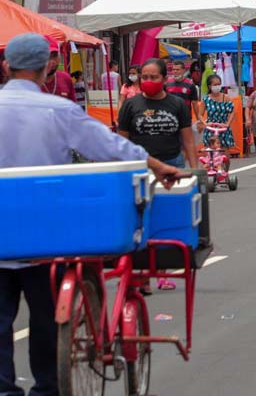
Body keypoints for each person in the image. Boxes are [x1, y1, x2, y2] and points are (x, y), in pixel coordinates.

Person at [0, 33, 181, 396]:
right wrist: (157, 165)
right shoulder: (59, 110)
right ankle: (47, 388)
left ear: (6, 66)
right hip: (47, 238)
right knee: (47, 317)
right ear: (47, 67)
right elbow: (112, 147)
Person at [118, 58, 198, 170]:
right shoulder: (130, 105)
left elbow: (188, 141)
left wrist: (196, 172)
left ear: (165, 79)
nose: (148, 81)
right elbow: (123, 142)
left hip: (173, 164)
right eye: (145, 77)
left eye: (154, 77)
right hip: (141, 165)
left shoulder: (178, 104)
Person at [199, 74, 236, 155]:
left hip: (223, 128)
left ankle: (225, 167)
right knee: (210, 154)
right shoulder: (206, 99)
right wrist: (205, 124)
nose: (217, 86)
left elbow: (233, 111)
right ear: (209, 86)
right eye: (215, 85)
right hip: (210, 128)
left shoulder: (226, 98)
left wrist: (227, 124)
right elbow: (200, 115)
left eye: (219, 84)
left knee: (225, 155)